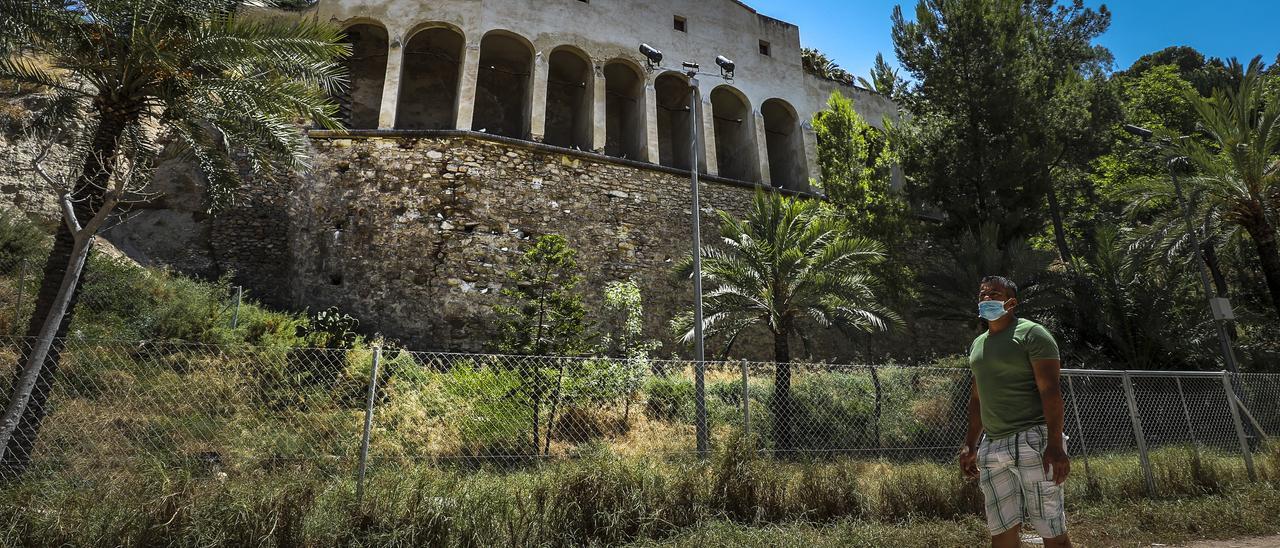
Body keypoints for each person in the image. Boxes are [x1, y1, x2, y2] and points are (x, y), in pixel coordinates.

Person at [959, 275, 1071, 548]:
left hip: (1033, 441)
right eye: (983, 294)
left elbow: (1050, 391)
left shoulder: (1032, 334)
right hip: (993, 445)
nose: (987, 299)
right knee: (1002, 533)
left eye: (994, 294)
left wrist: (1055, 445)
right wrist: (970, 443)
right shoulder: (978, 344)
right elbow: (977, 398)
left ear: (1011, 302)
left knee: (1051, 532)